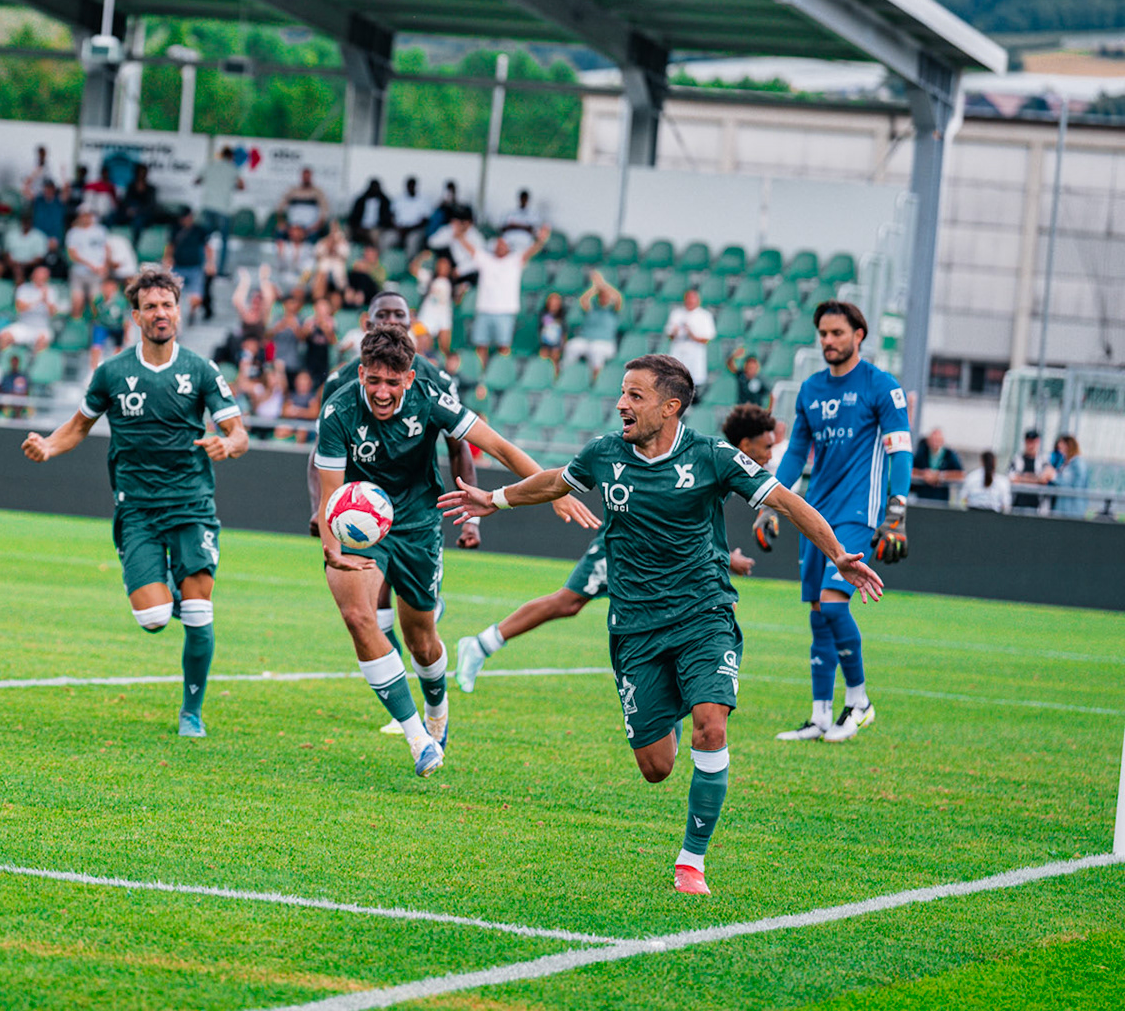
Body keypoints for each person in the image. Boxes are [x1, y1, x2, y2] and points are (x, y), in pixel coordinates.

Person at [440, 354, 884, 896]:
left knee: (711, 726)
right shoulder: (605, 454)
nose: (622, 404)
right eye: (622, 393)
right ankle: (672, 701)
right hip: (636, 627)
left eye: (635, 395)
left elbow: (789, 502)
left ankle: (691, 861)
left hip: (705, 615)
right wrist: (497, 498)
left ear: (670, 407)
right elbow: (558, 482)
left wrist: (838, 554)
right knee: (656, 768)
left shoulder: (713, 456)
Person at [313, 325, 600, 777]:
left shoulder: (430, 398)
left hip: (419, 524)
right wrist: (333, 549)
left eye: (393, 382)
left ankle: (437, 709)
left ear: (409, 377)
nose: (383, 392)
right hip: (358, 526)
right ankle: (416, 739)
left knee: (421, 642)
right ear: (362, 373)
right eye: (374, 381)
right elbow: (330, 493)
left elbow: (499, 447)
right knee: (357, 615)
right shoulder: (338, 410)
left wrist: (555, 489)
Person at [22, 266, 247, 738]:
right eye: (151, 307)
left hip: (191, 503)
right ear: (136, 316)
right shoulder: (113, 372)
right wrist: (48, 445)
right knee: (152, 618)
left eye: (167, 305)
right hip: (138, 506)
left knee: (200, 611)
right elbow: (78, 426)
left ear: (178, 311)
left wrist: (229, 445)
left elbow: (238, 431)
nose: (160, 314)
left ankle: (192, 713)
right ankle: (167, 580)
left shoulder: (201, 370)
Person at [455, 402, 776, 690]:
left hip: (662, 567)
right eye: (767, 446)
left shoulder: (722, 465)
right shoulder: (702, 459)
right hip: (627, 550)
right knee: (568, 602)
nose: (771, 455)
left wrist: (723, 557)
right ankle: (481, 644)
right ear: (746, 444)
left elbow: (691, 528)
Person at [772, 301, 912, 745]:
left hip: (858, 514)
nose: (828, 341)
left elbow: (900, 450)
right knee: (818, 613)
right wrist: (769, 502)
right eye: (823, 334)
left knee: (834, 603)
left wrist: (897, 512)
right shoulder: (811, 389)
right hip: (815, 516)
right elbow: (796, 453)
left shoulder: (881, 387)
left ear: (859, 335)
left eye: (837, 333)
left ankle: (860, 703)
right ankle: (819, 716)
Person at [470, 226, 548, 368]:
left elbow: (530, 251)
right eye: (497, 245)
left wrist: (541, 240)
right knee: (481, 346)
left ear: (507, 247)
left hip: (505, 311)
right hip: (485, 309)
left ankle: (500, 372)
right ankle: (479, 374)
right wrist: (459, 236)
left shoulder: (514, 260)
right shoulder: (487, 260)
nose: (499, 247)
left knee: (504, 347)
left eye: (502, 245)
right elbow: (471, 250)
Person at [196, 146, 243, 274]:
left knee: (202, 239)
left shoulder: (211, 165)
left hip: (208, 207)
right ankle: (220, 270)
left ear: (221, 155)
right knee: (223, 242)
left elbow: (197, 180)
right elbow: (241, 185)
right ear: (231, 157)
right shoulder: (233, 168)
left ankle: (201, 266)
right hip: (223, 209)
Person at [564, 270, 623, 373]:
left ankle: (595, 378)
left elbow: (618, 298)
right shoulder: (592, 309)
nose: (604, 298)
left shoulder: (613, 311)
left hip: (605, 343)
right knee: (572, 346)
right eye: (602, 296)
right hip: (586, 340)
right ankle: (566, 373)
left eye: (606, 297)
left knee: (596, 350)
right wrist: (595, 287)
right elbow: (583, 300)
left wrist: (603, 284)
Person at [664, 290, 716, 401]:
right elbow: (670, 336)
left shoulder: (704, 316)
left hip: (695, 356)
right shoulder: (677, 313)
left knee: (693, 384)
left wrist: (692, 335)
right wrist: (675, 332)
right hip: (679, 353)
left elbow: (707, 339)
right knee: (676, 381)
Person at [0, 263, 58, 353]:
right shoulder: (23, 288)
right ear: (33, 276)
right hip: (23, 325)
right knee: (4, 336)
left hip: (41, 328)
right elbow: (19, 308)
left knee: (42, 341)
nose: (40, 278)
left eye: (43, 276)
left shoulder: (52, 291)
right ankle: (5, 362)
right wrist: (38, 300)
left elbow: (52, 314)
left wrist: (46, 301)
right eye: (38, 275)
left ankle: (36, 365)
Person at [910, 428, 964, 502]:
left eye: (937, 440)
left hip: (941, 497)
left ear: (942, 441)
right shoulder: (922, 452)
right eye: (933, 440)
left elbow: (960, 474)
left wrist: (939, 476)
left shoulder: (949, 454)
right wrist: (924, 474)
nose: (935, 443)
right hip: (923, 497)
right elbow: (911, 469)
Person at [1007, 429, 1055, 512]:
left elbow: (1044, 480)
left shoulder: (1043, 460)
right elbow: (1012, 478)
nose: (1031, 445)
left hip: (1037, 506)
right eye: (1029, 442)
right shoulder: (1017, 459)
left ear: (1038, 442)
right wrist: (1036, 479)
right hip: (1017, 504)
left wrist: (1022, 477)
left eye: (1034, 442)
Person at [276, 167, 330, 237]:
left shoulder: (318, 192)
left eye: (308, 177)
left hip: (310, 227)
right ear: (301, 177)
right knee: (279, 232)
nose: (306, 179)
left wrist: (318, 225)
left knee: (315, 235)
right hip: (293, 226)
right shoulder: (293, 191)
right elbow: (280, 208)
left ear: (311, 177)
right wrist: (282, 223)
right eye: (304, 177)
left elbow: (325, 210)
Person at [1050, 434, 1091, 518]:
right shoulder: (1063, 462)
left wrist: (1054, 477)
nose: (1060, 450)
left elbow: (1075, 485)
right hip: (1061, 508)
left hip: (1073, 509)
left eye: (1061, 447)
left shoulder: (1078, 464)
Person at [391, 176, 431, 253]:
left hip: (415, 230)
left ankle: (410, 264)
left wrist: (408, 230)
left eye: (412, 185)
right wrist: (398, 228)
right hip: (399, 229)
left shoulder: (423, 199)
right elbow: (392, 216)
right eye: (409, 185)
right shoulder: (399, 198)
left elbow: (425, 220)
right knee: (387, 238)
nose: (410, 188)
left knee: (412, 241)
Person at [347, 178, 392, 246]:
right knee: (346, 231)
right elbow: (354, 216)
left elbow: (386, 219)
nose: (374, 190)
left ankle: (374, 254)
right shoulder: (361, 200)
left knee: (374, 234)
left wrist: (374, 227)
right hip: (360, 227)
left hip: (376, 228)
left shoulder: (385, 202)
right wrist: (357, 226)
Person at [537, 291, 567, 370]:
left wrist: (562, 346)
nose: (553, 303)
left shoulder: (562, 316)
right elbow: (540, 331)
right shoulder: (543, 315)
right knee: (543, 356)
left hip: (557, 344)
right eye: (552, 301)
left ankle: (555, 376)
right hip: (545, 343)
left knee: (555, 355)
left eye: (556, 301)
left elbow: (564, 333)